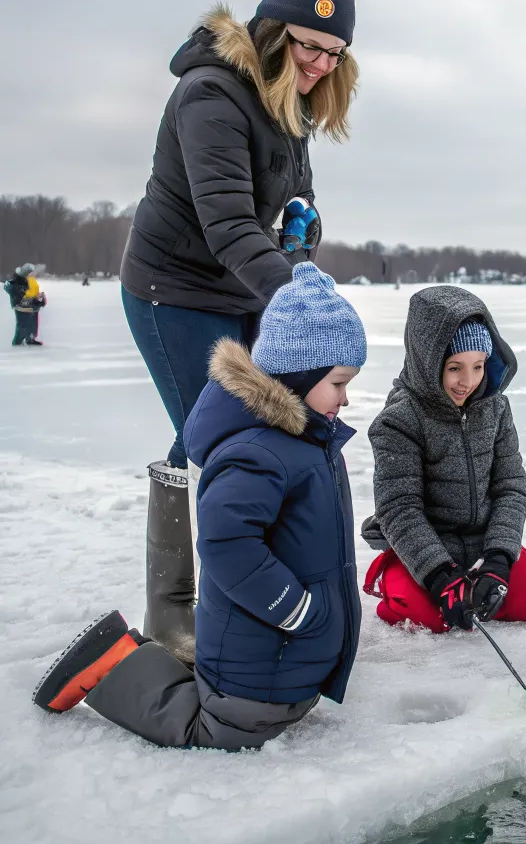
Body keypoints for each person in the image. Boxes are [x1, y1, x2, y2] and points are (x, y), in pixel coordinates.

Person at [118, 0, 359, 664]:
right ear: (274, 30)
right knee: (212, 435)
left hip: (245, 288)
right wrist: (298, 294)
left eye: (335, 53)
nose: (320, 64)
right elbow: (227, 224)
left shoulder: (292, 102)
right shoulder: (211, 93)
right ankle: (173, 613)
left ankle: (258, 593)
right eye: (309, 46)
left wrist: (302, 234)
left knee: (263, 428)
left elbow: (291, 203)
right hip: (173, 288)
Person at [33, 263, 366, 750]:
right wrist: (295, 610)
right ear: (300, 373)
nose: (346, 398)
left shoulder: (305, 441)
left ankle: (158, 662)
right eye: (338, 382)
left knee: (263, 716)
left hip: (282, 657)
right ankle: (109, 662)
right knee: (218, 729)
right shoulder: (258, 452)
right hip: (258, 661)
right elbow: (227, 542)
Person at [362, 286, 526, 632]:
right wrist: (438, 574)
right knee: (426, 615)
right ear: (429, 363)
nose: (468, 381)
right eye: (454, 368)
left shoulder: (496, 409)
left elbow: (511, 487)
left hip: (482, 543)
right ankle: (398, 577)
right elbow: (399, 507)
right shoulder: (398, 420)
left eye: (478, 366)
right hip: (427, 549)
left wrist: (498, 559)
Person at [5, 263, 45, 346]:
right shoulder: (18, 280)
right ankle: (17, 342)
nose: (33, 274)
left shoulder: (31, 279)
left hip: (32, 305)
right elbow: (17, 292)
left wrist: (39, 298)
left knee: (33, 323)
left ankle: (30, 338)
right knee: (22, 324)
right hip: (22, 306)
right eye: (30, 272)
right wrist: (25, 298)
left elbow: (33, 291)